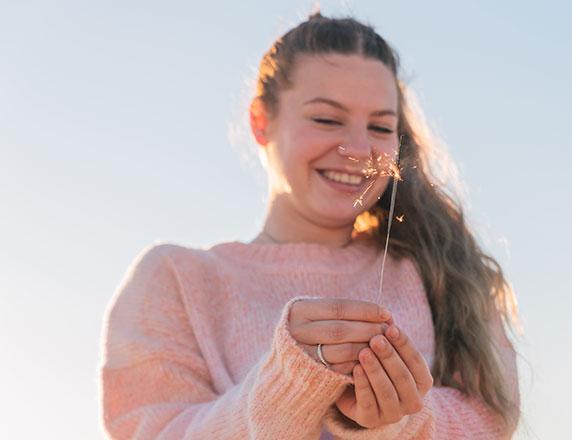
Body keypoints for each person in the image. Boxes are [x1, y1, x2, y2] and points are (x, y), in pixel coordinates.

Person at [98, 11, 521, 439]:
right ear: (261, 123)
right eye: (326, 119)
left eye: (380, 126)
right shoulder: (174, 281)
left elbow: (491, 422)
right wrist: (286, 387)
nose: (359, 148)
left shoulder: (444, 271)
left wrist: (397, 420)